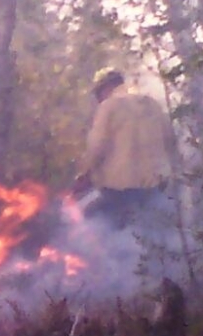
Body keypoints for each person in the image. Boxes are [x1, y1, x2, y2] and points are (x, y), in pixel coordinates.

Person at [72, 69, 178, 230]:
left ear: (105, 88)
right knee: (153, 235)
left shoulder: (108, 106)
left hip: (120, 190)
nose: (98, 99)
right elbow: (170, 140)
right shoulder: (152, 104)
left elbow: (97, 147)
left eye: (98, 94)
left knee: (95, 223)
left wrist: (84, 175)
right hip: (156, 187)